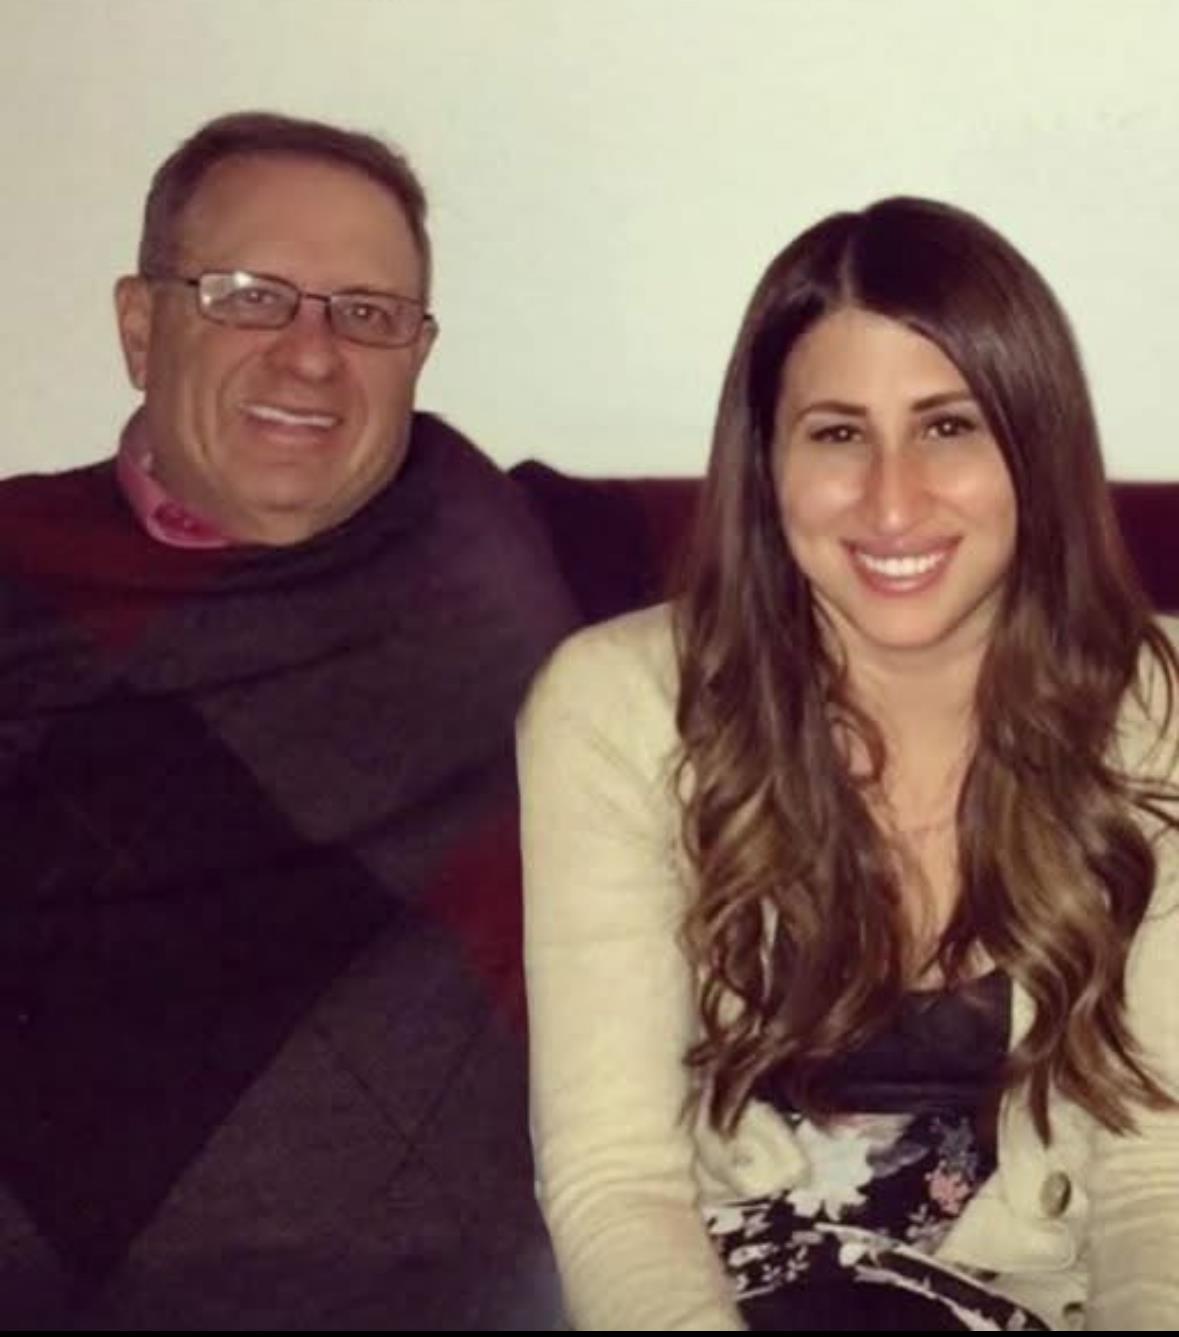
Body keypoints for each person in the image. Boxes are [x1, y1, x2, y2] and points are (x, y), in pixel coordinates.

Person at [520, 197, 1179, 1330]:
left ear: (1036, 444)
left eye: (948, 425)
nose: (891, 498)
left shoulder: (1158, 706)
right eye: (836, 432)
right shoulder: (616, 708)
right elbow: (617, 1180)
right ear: (766, 462)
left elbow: (1157, 1173)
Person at [0, 111, 575, 1328]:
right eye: (252, 295)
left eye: (366, 314)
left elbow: (833, 556)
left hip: (471, 1292)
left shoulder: (492, 543)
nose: (313, 357)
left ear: (418, 353)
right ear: (140, 325)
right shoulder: (19, 568)